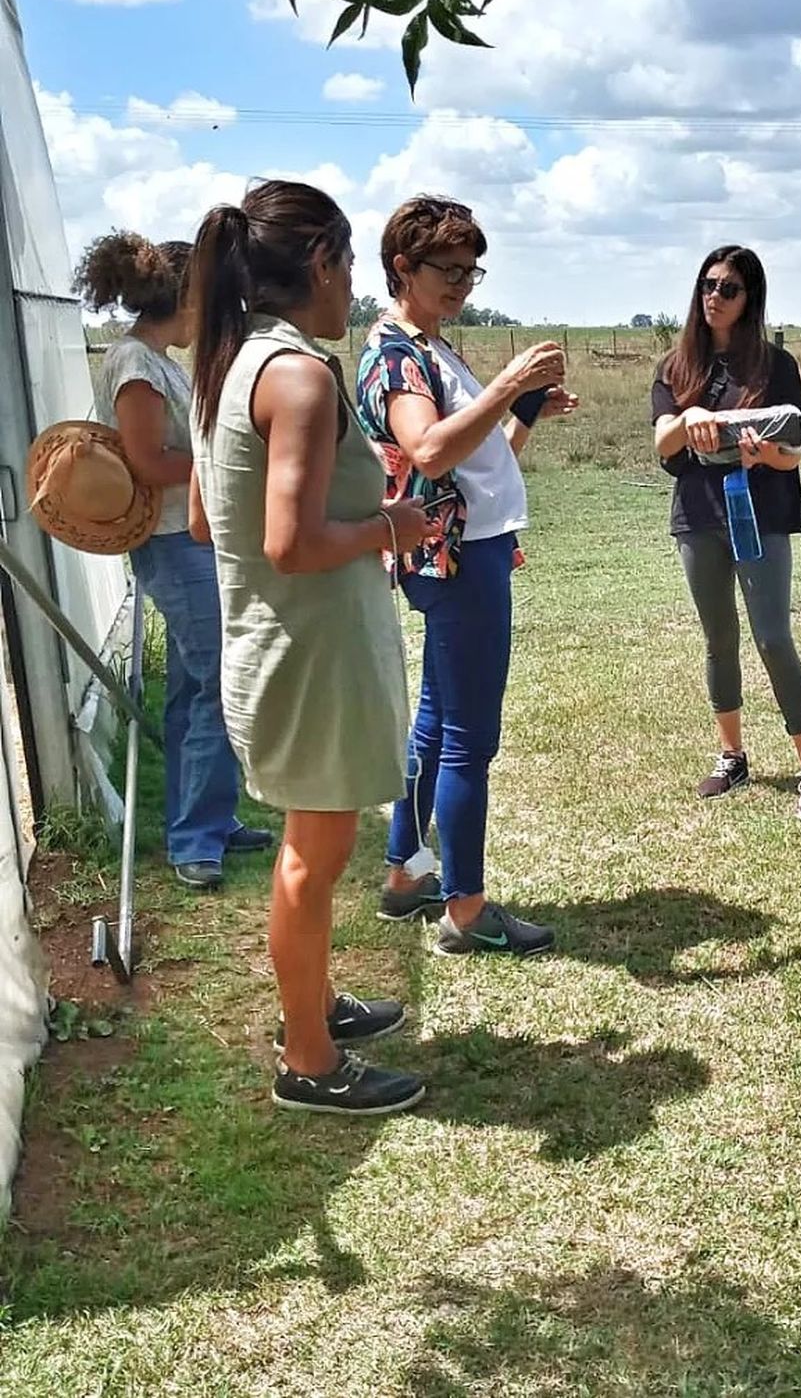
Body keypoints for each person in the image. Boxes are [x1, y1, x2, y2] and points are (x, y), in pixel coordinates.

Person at [188, 179, 437, 1116]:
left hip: (277, 648)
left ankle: (316, 1006)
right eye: (350, 266)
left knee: (312, 846)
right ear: (324, 263)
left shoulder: (235, 362)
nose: (357, 292)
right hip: (308, 655)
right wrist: (389, 524)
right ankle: (307, 1059)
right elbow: (288, 544)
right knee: (314, 855)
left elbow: (210, 519)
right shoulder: (297, 376)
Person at [355, 195, 576, 957]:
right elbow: (429, 451)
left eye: (470, 270)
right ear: (402, 269)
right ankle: (467, 908)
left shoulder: (433, 349)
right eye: (447, 269)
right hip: (456, 561)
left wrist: (525, 409)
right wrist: (508, 383)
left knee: (437, 723)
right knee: (467, 741)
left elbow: (485, 460)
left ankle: (406, 875)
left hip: (461, 550)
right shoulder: (398, 356)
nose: (460, 283)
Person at [74, 231, 272, 889]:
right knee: (216, 683)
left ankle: (209, 821)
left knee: (195, 688)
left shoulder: (151, 359)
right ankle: (195, 841)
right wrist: (223, 464)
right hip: (168, 543)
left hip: (184, 540)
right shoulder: (137, 366)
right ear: (185, 297)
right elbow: (146, 463)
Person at [651, 245, 801, 823]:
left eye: (728, 288)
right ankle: (732, 755)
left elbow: (794, 452)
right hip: (700, 517)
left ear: (750, 297)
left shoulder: (776, 366)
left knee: (773, 637)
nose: (714, 297)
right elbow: (662, 445)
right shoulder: (674, 367)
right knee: (718, 638)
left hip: (762, 515)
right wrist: (687, 420)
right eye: (708, 285)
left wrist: (761, 456)